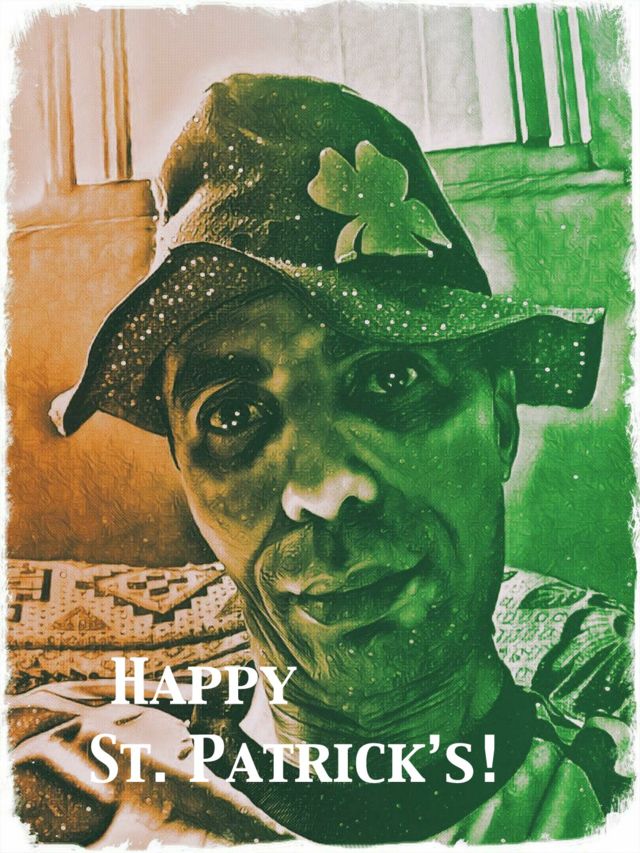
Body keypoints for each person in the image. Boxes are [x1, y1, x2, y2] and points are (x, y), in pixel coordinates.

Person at [9, 75, 632, 846]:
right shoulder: (61, 792)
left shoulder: (609, 802)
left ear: (500, 418)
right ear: (187, 478)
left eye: (392, 378)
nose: (325, 488)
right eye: (233, 415)